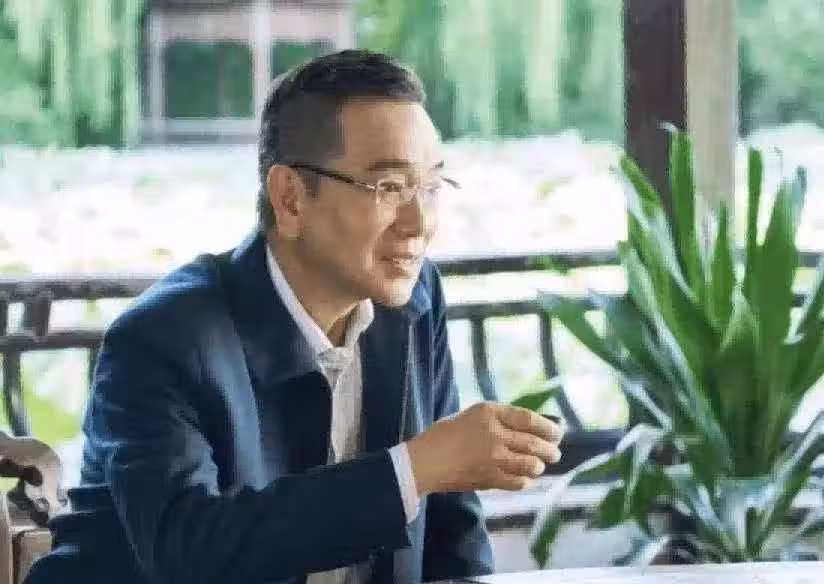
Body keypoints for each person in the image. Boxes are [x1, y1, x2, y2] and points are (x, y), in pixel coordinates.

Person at [26, 49, 564, 584]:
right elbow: (189, 553)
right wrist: (415, 467)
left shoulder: (412, 301)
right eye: (389, 187)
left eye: (430, 187)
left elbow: (452, 529)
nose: (419, 222)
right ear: (290, 199)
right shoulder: (162, 338)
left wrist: (433, 471)